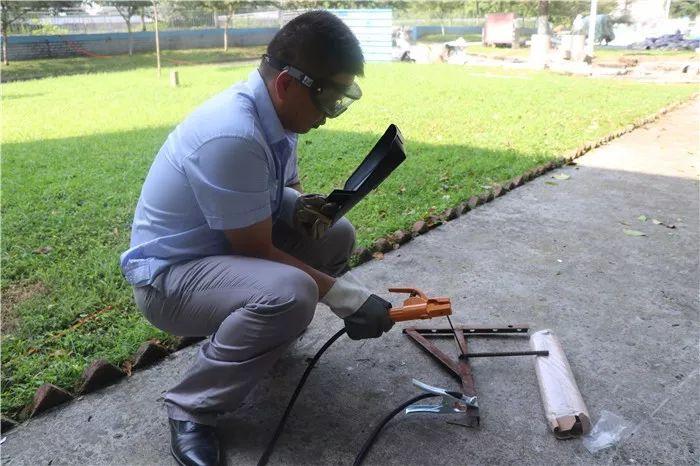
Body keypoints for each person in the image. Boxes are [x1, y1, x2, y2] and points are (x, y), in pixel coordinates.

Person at [120, 10, 394, 466]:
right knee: (291, 293)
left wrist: (298, 207)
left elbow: (278, 192)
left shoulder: (276, 121)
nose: (329, 116)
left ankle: (257, 344)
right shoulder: (233, 132)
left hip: (219, 252)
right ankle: (191, 408)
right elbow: (253, 248)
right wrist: (349, 297)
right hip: (169, 281)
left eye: (340, 101)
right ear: (287, 83)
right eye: (328, 98)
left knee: (336, 235)